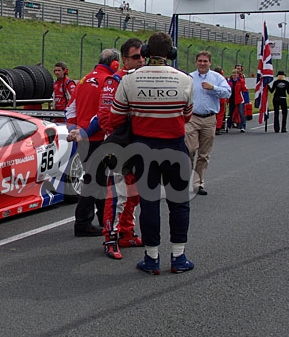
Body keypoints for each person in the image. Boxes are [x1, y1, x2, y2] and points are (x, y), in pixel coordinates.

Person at [108, 31, 194, 275]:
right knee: (179, 204)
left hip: (143, 148)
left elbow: (116, 117)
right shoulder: (185, 80)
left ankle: (152, 258)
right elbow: (186, 115)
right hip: (175, 147)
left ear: (145, 52)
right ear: (171, 53)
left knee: (149, 204)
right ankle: (178, 256)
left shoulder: (129, 80)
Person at [94, 38, 147, 258]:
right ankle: (111, 237)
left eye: (143, 56)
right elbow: (105, 117)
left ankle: (126, 232)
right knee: (117, 195)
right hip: (119, 146)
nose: (141, 61)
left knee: (135, 194)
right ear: (124, 59)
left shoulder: (146, 79)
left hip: (140, 145)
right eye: (136, 57)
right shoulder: (114, 81)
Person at [66, 48, 121, 237]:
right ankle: (83, 224)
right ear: (114, 64)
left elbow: (70, 107)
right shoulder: (109, 82)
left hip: (81, 137)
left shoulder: (83, 80)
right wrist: (85, 131)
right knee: (94, 181)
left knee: (97, 179)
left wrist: (73, 129)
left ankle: (102, 219)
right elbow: (102, 114)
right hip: (97, 137)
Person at [185, 51, 231, 196]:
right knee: (189, 150)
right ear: (196, 62)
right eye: (200, 61)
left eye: (205, 61)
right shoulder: (189, 78)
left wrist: (214, 88)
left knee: (204, 154)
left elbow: (227, 92)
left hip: (209, 118)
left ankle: (198, 183)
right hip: (192, 118)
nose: (202, 63)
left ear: (210, 63)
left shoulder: (217, 78)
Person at [213, 67, 228, 134]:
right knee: (220, 114)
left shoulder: (211, 78)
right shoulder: (223, 79)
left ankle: (213, 127)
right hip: (221, 98)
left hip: (214, 98)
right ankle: (218, 128)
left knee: (214, 114)